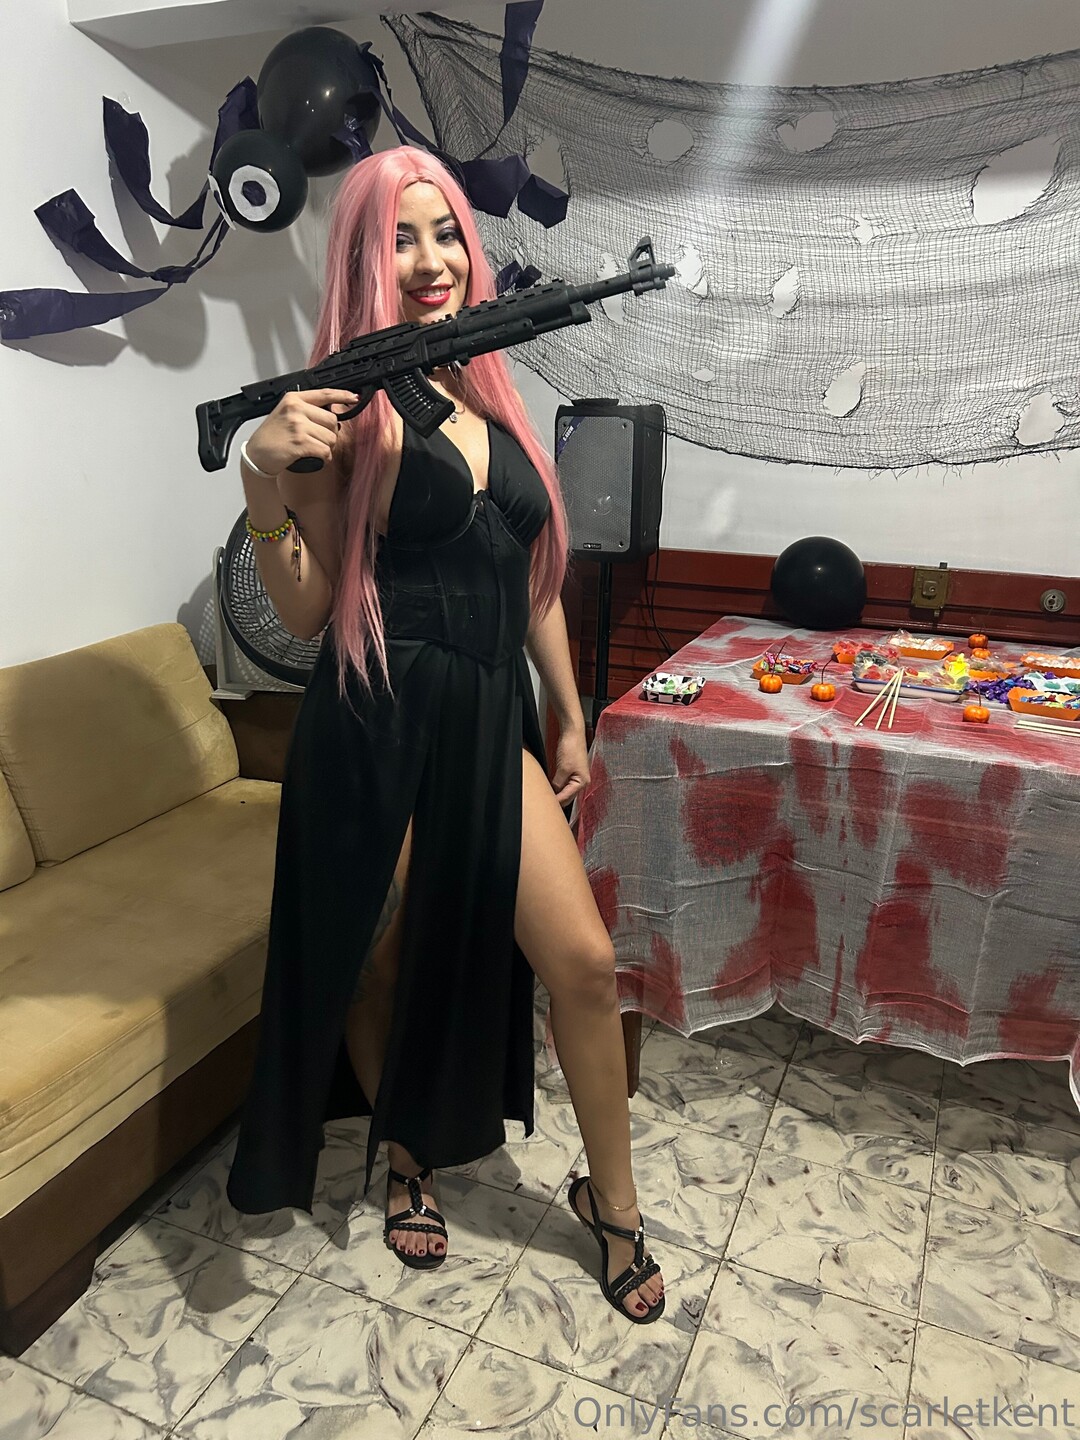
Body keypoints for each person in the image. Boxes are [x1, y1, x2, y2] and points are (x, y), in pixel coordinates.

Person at [225, 145, 665, 1323]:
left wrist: (568, 716)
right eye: (399, 238)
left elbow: (530, 582)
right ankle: (406, 1153)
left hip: (485, 711)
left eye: (445, 235)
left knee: (582, 962)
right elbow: (308, 609)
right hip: (374, 713)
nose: (430, 261)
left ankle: (613, 1202)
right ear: (363, 258)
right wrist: (262, 483)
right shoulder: (340, 408)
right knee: (381, 957)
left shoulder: (490, 393)